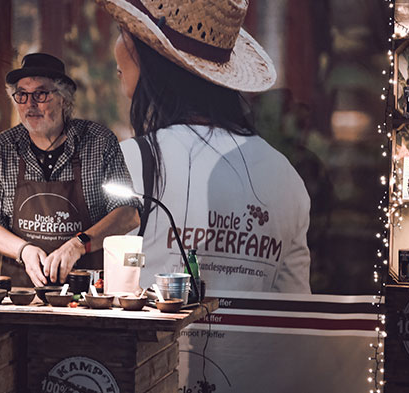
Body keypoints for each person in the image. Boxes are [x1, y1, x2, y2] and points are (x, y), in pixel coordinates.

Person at [99, 0, 311, 293]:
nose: (117, 45)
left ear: (151, 58)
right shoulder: (284, 176)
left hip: (160, 341)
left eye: (125, 31)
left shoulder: (130, 162)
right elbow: (292, 310)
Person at [0, 53, 141, 287]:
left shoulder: (98, 142)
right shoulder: (3, 148)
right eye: (22, 95)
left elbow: (128, 214)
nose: (30, 104)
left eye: (41, 94)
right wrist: (25, 250)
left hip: (88, 294)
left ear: (64, 99)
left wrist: (79, 244)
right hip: (21, 296)